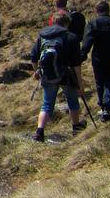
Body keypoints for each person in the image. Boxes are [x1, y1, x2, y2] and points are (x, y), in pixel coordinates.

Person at [31, 11, 85, 142]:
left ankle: (39, 132)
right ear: (67, 23)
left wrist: (37, 71)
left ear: (53, 21)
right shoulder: (71, 37)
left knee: (47, 104)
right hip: (66, 75)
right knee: (72, 100)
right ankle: (76, 128)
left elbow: (33, 58)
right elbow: (76, 64)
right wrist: (80, 83)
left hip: (47, 75)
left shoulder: (42, 36)